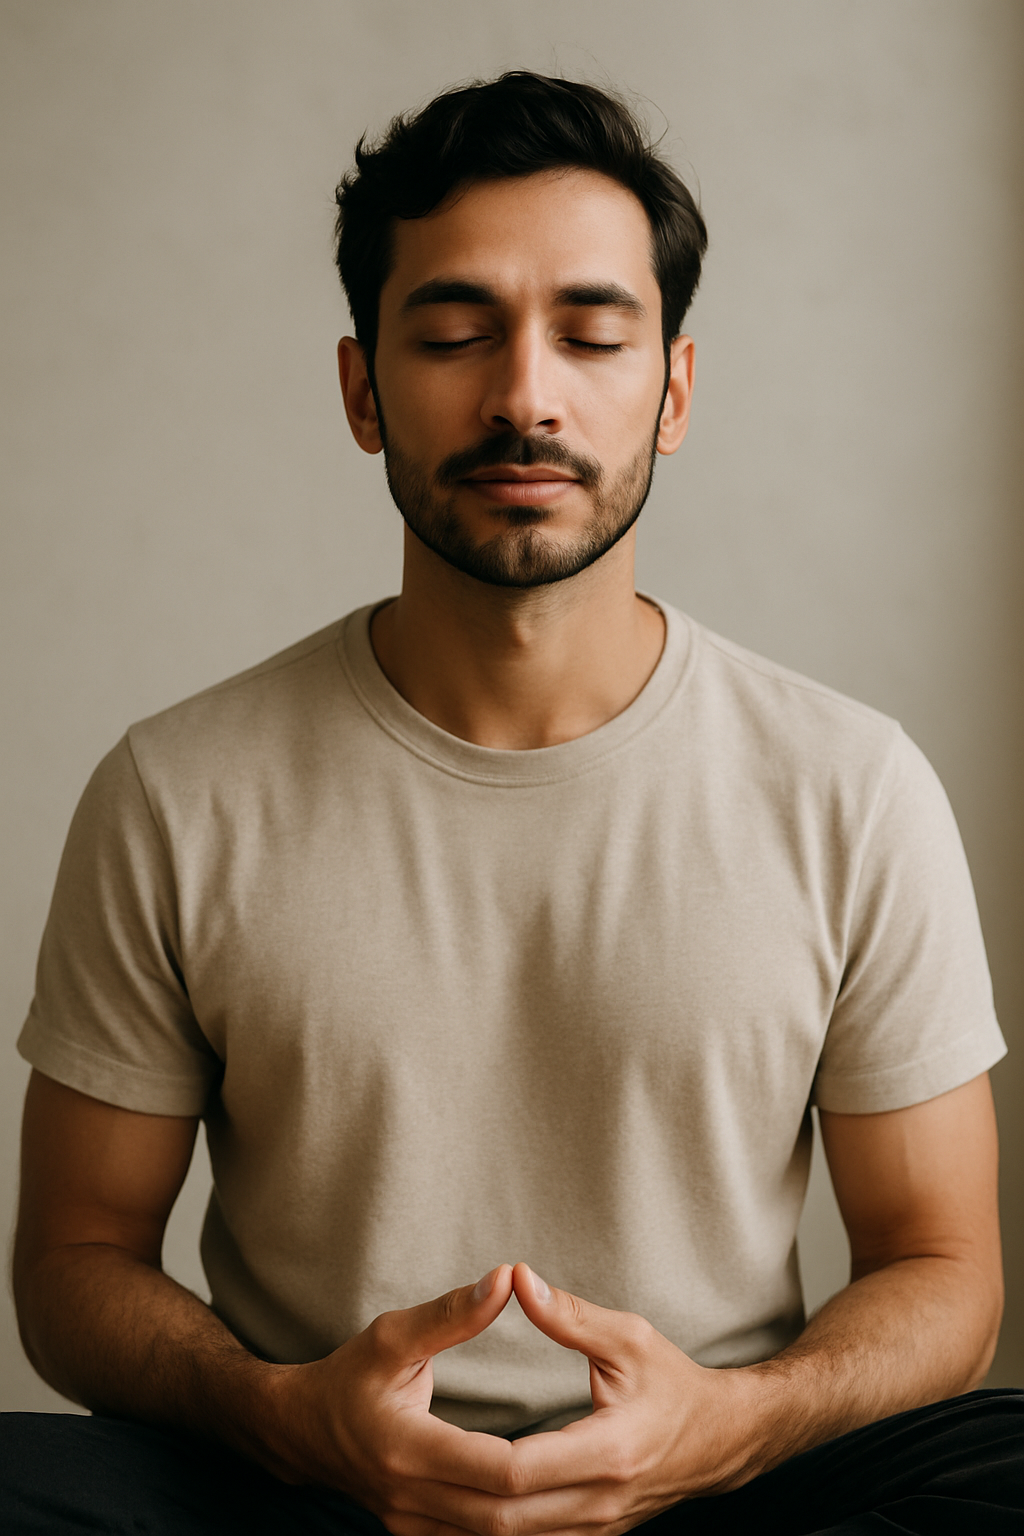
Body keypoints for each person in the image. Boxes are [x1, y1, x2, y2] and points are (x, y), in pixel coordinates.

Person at [3, 71, 1021, 1536]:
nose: (525, 395)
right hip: (309, 1486)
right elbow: (74, 1261)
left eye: (593, 335)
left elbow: (946, 1270)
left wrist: (732, 1428)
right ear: (364, 391)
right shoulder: (178, 790)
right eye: (456, 334)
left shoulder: (851, 787)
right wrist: (285, 1418)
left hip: (715, 1493)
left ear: (671, 392)